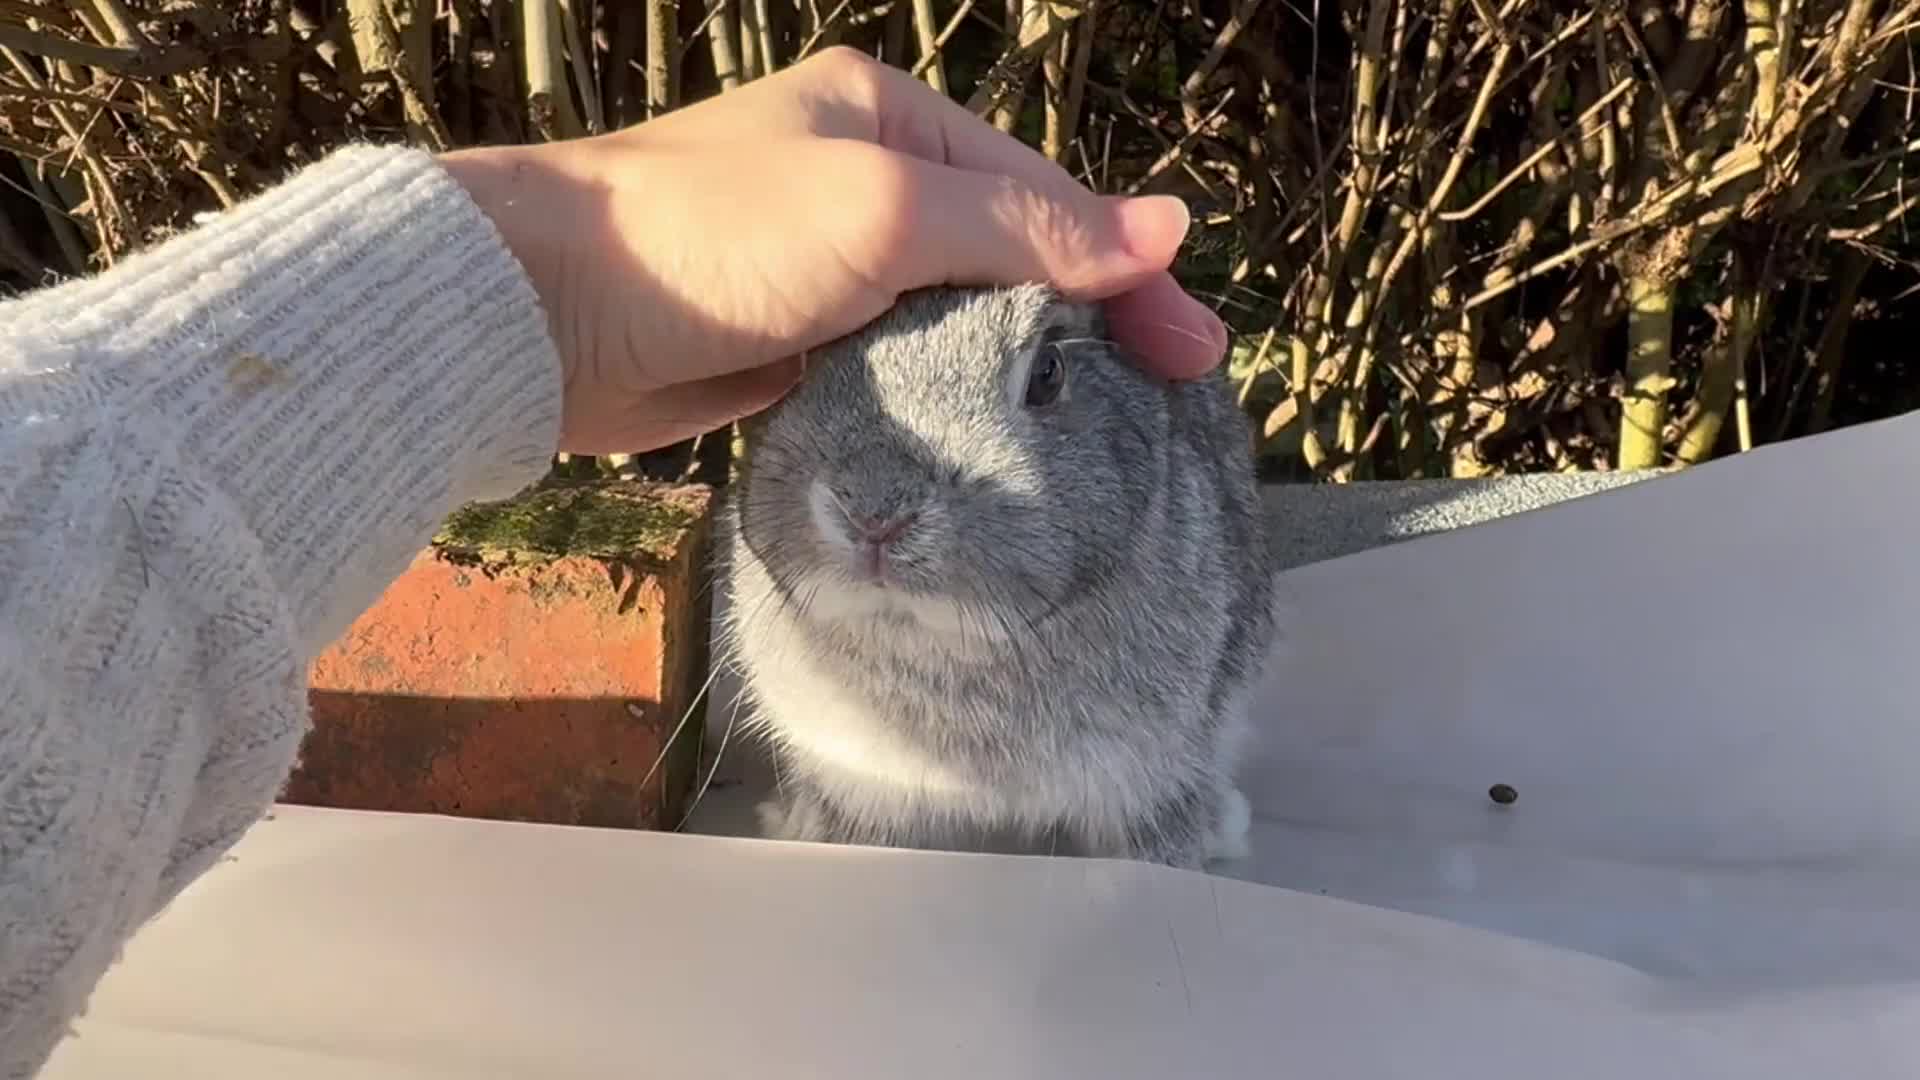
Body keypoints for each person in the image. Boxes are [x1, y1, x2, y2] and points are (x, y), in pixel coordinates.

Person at [0, 47, 1226, 1077]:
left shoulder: (1165, 549)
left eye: (1044, 379)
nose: (876, 502)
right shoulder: (814, 538)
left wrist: (528, 281)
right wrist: (539, 281)